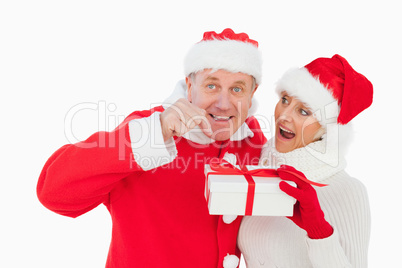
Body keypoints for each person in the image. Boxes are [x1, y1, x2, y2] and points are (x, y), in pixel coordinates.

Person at [37, 28, 266, 268]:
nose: (223, 104)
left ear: (252, 95)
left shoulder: (251, 139)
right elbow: (52, 193)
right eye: (211, 86)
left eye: (237, 89)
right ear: (189, 87)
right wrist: (155, 132)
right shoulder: (149, 129)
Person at [238, 54, 373, 267]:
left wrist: (319, 232)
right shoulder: (263, 165)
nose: (284, 115)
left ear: (327, 128)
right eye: (284, 100)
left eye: (303, 111)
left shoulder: (348, 191)